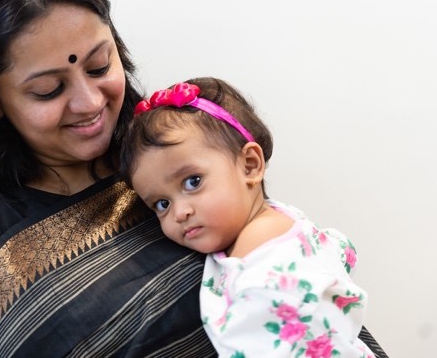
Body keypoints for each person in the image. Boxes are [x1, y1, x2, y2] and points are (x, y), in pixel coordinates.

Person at [0, 0, 388, 357]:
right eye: (48, 90)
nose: (89, 103)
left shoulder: (177, 156)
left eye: (98, 65)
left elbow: (301, 294)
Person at [119, 77, 382, 357]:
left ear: (250, 165)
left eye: (193, 182)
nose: (180, 212)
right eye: (161, 204)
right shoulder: (278, 217)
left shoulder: (258, 249)